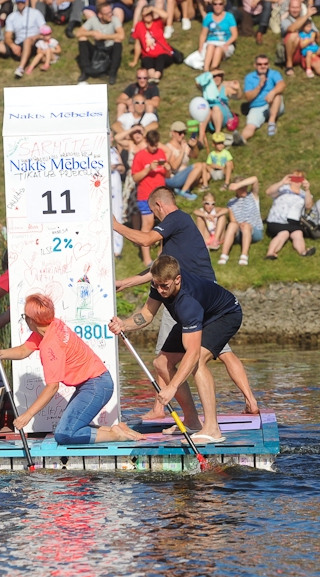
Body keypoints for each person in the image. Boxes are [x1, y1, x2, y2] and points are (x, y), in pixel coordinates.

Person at [111, 186, 261, 416]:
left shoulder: (175, 218)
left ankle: (169, 411)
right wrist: (126, 283)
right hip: (201, 296)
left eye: (153, 212)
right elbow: (158, 270)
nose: (155, 218)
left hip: (190, 299)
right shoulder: (175, 239)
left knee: (181, 359)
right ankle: (251, 402)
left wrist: (114, 225)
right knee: (219, 353)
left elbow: (145, 240)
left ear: (159, 206)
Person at [109, 255, 242, 444]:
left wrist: (171, 388)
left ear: (177, 279)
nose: (161, 291)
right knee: (161, 363)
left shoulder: (189, 302)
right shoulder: (159, 284)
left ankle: (212, 429)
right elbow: (147, 314)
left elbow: (193, 353)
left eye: (166, 286)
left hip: (224, 315)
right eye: (157, 285)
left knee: (197, 362)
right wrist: (124, 325)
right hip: (199, 315)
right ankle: (192, 421)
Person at [0, 293, 142, 444]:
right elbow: (23, 350)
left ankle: (117, 435)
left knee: (65, 435)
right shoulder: (52, 325)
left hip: (96, 385)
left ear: (32, 320)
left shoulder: (51, 345)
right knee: (69, 429)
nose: (25, 320)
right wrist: (0, 353)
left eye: (25, 316)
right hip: (94, 383)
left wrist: (27, 415)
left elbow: (52, 387)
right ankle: (116, 429)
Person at [130, 129, 168, 265]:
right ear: (146, 142)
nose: (154, 148)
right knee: (147, 225)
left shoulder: (161, 153)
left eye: (156, 145)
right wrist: (148, 169)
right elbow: (135, 177)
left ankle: (162, 256)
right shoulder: (139, 156)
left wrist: (167, 168)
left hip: (162, 196)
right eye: (152, 145)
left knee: (166, 224)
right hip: (145, 196)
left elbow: (167, 175)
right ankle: (147, 260)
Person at [264, 172, 316, 259]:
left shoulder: (304, 194)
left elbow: (309, 206)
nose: (296, 181)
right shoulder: (282, 189)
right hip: (277, 220)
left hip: (294, 223)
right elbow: (268, 192)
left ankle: (303, 252)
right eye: (294, 178)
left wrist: (307, 190)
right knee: (284, 233)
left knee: (298, 234)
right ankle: (270, 253)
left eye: (299, 179)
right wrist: (282, 182)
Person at [0, 0, 45, 79]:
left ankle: (21, 68)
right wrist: (13, 46)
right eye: (18, 1)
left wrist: (36, 37)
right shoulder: (11, 17)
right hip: (18, 43)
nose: (20, 3)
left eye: (22, 1)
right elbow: (7, 36)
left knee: (27, 40)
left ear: (26, 2)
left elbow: (45, 32)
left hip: (33, 42)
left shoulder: (36, 13)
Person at [237, 53, 284, 141]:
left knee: (277, 94)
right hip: (257, 107)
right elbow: (248, 97)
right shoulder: (249, 77)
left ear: (269, 65)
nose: (263, 66)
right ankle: (241, 139)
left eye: (265, 64)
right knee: (250, 125)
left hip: (273, 104)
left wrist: (272, 92)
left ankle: (271, 122)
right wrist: (259, 86)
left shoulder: (274, 73)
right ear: (255, 65)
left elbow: (282, 85)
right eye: (260, 64)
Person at [75, 1, 123, 85]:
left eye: (110, 12)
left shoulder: (114, 19)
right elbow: (78, 33)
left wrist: (103, 37)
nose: (110, 15)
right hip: (97, 49)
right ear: (100, 15)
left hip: (110, 49)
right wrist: (92, 33)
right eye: (107, 13)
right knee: (82, 39)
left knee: (118, 41)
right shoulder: (93, 20)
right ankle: (85, 70)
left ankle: (112, 73)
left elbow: (121, 35)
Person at [219, 175, 262, 266]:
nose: (244, 189)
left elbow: (255, 179)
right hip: (239, 230)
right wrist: (239, 224)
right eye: (241, 188)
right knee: (231, 225)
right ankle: (224, 255)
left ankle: (244, 255)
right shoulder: (231, 202)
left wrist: (239, 184)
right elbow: (233, 220)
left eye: (245, 187)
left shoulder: (252, 196)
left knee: (246, 225)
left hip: (254, 230)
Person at [130, 6, 176, 81]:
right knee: (146, 61)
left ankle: (156, 76)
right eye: (146, 14)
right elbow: (137, 44)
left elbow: (166, 15)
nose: (148, 15)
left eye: (150, 13)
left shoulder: (158, 22)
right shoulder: (139, 25)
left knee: (161, 59)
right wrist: (135, 60)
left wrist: (152, 8)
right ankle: (151, 76)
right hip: (148, 54)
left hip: (163, 53)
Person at [163, 120, 203, 201]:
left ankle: (180, 188)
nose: (183, 135)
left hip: (183, 176)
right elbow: (174, 166)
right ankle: (184, 191)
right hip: (173, 178)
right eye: (180, 133)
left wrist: (194, 146)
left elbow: (195, 156)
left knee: (204, 176)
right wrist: (182, 150)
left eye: (184, 133)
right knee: (199, 166)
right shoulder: (168, 147)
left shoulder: (184, 144)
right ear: (173, 133)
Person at [198, 0, 236, 73]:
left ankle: (213, 69)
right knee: (210, 46)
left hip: (225, 42)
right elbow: (203, 34)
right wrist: (200, 46)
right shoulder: (208, 17)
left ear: (224, 5)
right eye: (215, 4)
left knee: (218, 49)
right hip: (211, 41)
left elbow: (234, 35)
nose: (217, 6)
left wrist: (227, 44)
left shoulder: (229, 16)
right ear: (212, 5)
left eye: (220, 4)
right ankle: (205, 69)